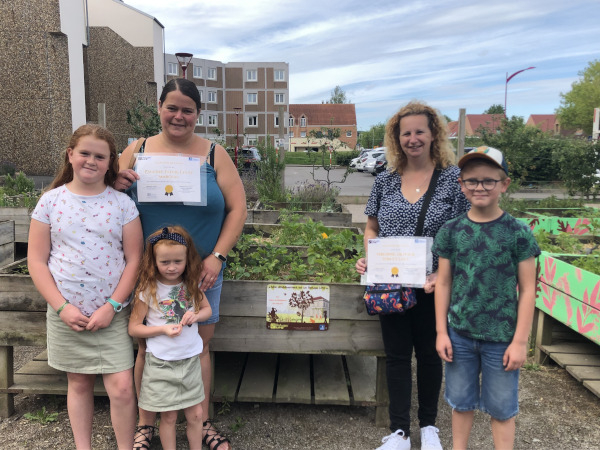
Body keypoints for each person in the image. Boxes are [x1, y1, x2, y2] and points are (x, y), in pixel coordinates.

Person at [116, 78, 246, 450]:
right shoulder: (136, 149)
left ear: (198, 114)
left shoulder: (213, 153)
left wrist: (217, 257)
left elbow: (238, 208)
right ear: (159, 107)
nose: (179, 116)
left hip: (199, 272)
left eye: (187, 110)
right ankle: (146, 423)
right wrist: (118, 181)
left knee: (199, 347)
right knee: (147, 347)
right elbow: (109, 197)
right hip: (147, 272)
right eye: (171, 107)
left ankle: (200, 420)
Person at [355, 101, 470, 450]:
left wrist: (442, 272)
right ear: (396, 137)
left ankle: (430, 426)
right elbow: (371, 227)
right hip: (392, 285)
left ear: (433, 134)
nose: (413, 138)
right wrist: (370, 258)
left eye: (420, 131)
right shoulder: (386, 180)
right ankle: (400, 431)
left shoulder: (452, 179)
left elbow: (464, 233)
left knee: (431, 354)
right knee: (397, 356)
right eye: (406, 132)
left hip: (435, 284)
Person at [28, 124, 143, 449]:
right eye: (84, 153)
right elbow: (37, 261)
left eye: (100, 156)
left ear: (111, 163)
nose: (91, 161)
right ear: (70, 155)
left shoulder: (121, 205)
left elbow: (134, 260)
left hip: (112, 315)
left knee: (121, 387)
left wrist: (112, 306)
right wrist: (62, 308)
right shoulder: (50, 202)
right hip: (68, 316)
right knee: (78, 384)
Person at [433, 147, 540, 450]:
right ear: (461, 185)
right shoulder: (451, 231)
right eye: (472, 181)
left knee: (502, 410)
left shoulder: (518, 233)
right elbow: (443, 283)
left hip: (502, 339)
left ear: (504, 184)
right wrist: (442, 332)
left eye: (489, 181)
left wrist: (520, 341)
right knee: (461, 404)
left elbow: (528, 289)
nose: (479, 187)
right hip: (460, 335)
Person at [129, 225, 212, 449]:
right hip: (161, 363)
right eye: (165, 262)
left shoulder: (191, 285)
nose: (172, 267)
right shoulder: (148, 289)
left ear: (187, 259)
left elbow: (207, 310)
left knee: (195, 414)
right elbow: (134, 328)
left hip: (190, 360)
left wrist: (195, 315)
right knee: (169, 417)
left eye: (178, 261)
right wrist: (162, 330)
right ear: (154, 261)